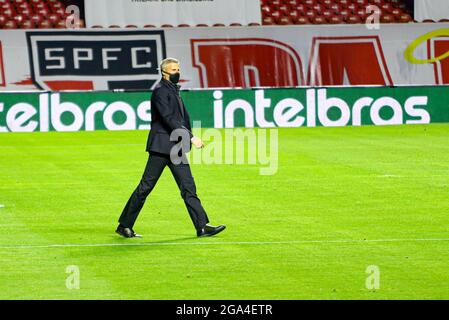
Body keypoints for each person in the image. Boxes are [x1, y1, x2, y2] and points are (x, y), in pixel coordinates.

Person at [116, 58, 226, 238]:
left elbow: (178, 118)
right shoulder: (160, 92)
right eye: (174, 70)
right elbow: (169, 119)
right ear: (164, 73)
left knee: (188, 187)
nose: (177, 72)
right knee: (146, 187)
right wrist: (191, 137)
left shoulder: (171, 90)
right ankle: (124, 225)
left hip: (175, 147)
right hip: (162, 147)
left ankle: (202, 226)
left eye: (178, 69)